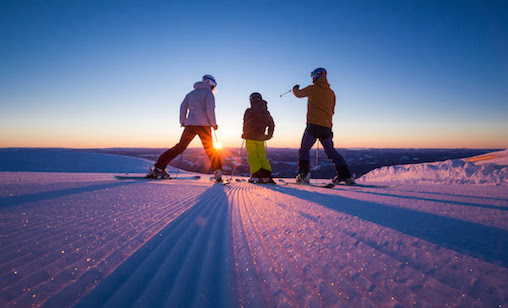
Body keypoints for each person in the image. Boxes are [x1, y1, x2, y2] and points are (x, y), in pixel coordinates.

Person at [147, 74, 223, 182]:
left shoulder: (190, 94)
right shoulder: (208, 94)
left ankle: (159, 168)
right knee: (210, 149)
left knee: (180, 147)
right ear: (211, 83)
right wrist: (214, 124)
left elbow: (183, 107)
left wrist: (183, 122)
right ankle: (217, 172)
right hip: (204, 126)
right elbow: (210, 110)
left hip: (190, 125)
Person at [292, 67, 355, 185]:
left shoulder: (312, 89)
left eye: (313, 76)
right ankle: (345, 176)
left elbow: (298, 94)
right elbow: (332, 110)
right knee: (331, 151)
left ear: (316, 76)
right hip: (326, 127)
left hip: (313, 126)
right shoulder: (331, 93)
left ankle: (304, 175)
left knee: (304, 150)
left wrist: (295, 88)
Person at [242, 92, 275, 184]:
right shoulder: (266, 112)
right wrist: (268, 135)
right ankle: (267, 176)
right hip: (261, 138)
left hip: (251, 138)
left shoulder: (249, 111)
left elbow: (246, 123)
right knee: (262, 157)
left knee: (253, 157)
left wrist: (245, 133)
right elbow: (271, 124)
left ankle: (256, 177)